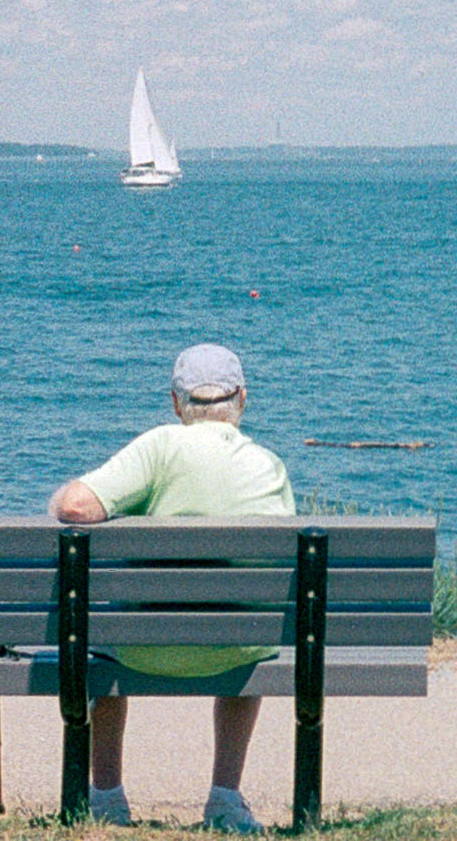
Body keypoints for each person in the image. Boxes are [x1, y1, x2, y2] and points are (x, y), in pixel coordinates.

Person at [49, 343, 293, 832]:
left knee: (101, 640)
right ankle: (224, 799)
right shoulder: (268, 464)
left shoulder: (159, 447)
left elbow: (75, 506)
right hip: (236, 649)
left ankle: (107, 797)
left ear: (176, 402)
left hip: (142, 647)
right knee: (250, 626)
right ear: (242, 399)